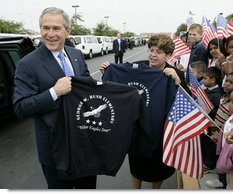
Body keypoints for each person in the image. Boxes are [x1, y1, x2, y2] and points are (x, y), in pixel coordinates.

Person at [13, 7, 96, 189]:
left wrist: (104, 80)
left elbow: (87, 86)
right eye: (45, 28)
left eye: (56, 28)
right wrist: (54, 92)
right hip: (54, 150)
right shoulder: (27, 64)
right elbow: (21, 107)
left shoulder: (76, 55)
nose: (50, 34)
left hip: (83, 143)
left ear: (68, 31)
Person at [100, 33, 187, 189]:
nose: (153, 55)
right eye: (151, 50)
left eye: (158, 52)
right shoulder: (137, 67)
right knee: (136, 164)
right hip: (136, 128)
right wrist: (107, 72)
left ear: (168, 55)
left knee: (158, 167)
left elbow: (186, 101)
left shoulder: (174, 73)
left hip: (159, 129)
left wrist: (177, 81)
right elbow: (119, 87)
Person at [205, 71, 233, 188]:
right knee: (221, 164)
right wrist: (219, 136)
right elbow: (224, 125)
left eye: (231, 83)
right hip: (221, 145)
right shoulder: (225, 100)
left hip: (230, 156)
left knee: (229, 175)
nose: (227, 84)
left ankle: (226, 186)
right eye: (226, 80)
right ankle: (221, 181)